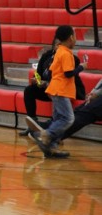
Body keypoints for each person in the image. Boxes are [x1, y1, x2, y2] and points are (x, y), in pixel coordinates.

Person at [26, 25, 86, 158]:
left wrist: (44, 82)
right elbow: (39, 72)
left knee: (59, 118)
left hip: (54, 88)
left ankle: (51, 147)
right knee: (68, 119)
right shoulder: (50, 55)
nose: (55, 46)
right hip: (57, 89)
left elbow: (57, 74)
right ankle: (45, 134)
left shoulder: (64, 54)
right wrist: (37, 80)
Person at [20, 39, 86, 136]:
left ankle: (49, 131)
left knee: (67, 117)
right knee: (29, 90)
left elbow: (66, 75)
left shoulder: (69, 57)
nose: (58, 47)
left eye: (60, 44)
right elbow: (38, 74)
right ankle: (33, 124)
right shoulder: (47, 56)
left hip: (63, 89)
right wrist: (37, 80)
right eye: (56, 44)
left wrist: (46, 83)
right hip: (51, 88)